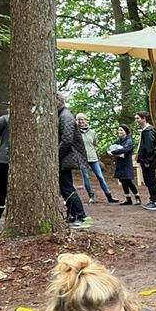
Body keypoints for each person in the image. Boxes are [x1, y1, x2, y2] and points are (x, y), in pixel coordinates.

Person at [56, 93, 89, 229]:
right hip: (65, 156)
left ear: (59, 100)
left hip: (66, 156)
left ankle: (81, 217)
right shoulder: (62, 115)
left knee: (67, 187)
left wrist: (55, 156)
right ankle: (73, 215)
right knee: (64, 188)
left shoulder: (65, 116)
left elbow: (67, 140)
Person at [76, 113, 118, 204]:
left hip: (93, 158)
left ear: (86, 120)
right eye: (79, 120)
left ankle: (109, 196)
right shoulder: (75, 132)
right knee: (86, 178)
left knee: (100, 177)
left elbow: (94, 144)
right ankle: (91, 196)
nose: (81, 121)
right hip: (82, 159)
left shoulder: (92, 132)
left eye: (82, 119)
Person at [108, 124, 140, 206]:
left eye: (121, 130)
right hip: (120, 163)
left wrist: (113, 152)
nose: (119, 131)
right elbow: (110, 147)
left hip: (126, 164)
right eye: (119, 130)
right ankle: (128, 199)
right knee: (122, 180)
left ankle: (137, 198)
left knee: (128, 181)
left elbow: (125, 149)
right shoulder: (118, 140)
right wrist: (111, 150)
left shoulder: (129, 140)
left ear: (126, 131)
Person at [134, 111, 156, 211]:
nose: (136, 120)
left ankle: (154, 202)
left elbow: (149, 149)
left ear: (144, 118)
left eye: (138, 118)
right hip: (147, 161)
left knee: (150, 181)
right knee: (149, 181)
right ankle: (153, 200)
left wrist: (147, 161)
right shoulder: (146, 131)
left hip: (148, 162)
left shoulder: (148, 132)